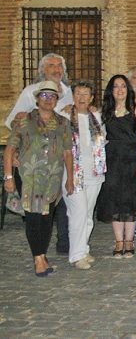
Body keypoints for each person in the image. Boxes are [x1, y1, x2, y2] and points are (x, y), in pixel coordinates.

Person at [5, 53, 74, 254]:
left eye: (60, 66)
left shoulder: (70, 92)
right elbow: (12, 122)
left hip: (58, 163)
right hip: (33, 166)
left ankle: (63, 243)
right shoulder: (30, 92)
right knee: (35, 211)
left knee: (57, 206)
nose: (56, 69)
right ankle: (39, 253)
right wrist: (18, 151)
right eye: (51, 65)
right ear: (42, 70)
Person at [98, 74, 136, 259]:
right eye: (116, 86)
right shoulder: (104, 112)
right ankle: (118, 240)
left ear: (128, 90)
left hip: (133, 158)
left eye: (123, 86)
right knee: (114, 199)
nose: (120, 90)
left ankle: (129, 241)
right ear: (111, 90)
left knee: (132, 199)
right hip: (112, 159)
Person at [63, 80, 106, 270]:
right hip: (72, 173)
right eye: (78, 93)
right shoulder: (63, 116)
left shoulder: (96, 116)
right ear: (73, 95)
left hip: (94, 172)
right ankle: (76, 255)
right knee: (77, 213)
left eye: (86, 94)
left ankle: (83, 247)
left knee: (88, 214)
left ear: (92, 97)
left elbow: (103, 140)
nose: (82, 98)